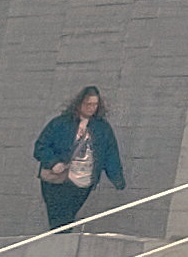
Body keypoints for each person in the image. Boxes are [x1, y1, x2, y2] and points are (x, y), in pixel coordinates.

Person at [32, 86, 125, 232]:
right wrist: (53, 162)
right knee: (58, 217)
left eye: (95, 105)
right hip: (57, 179)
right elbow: (41, 146)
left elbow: (110, 154)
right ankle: (60, 246)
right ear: (79, 103)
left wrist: (117, 178)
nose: (91, 108)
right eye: (88, 104)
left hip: (83, 181)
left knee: (67, 218)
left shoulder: (102, 129)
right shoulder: (60, 123)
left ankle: (59, 245)